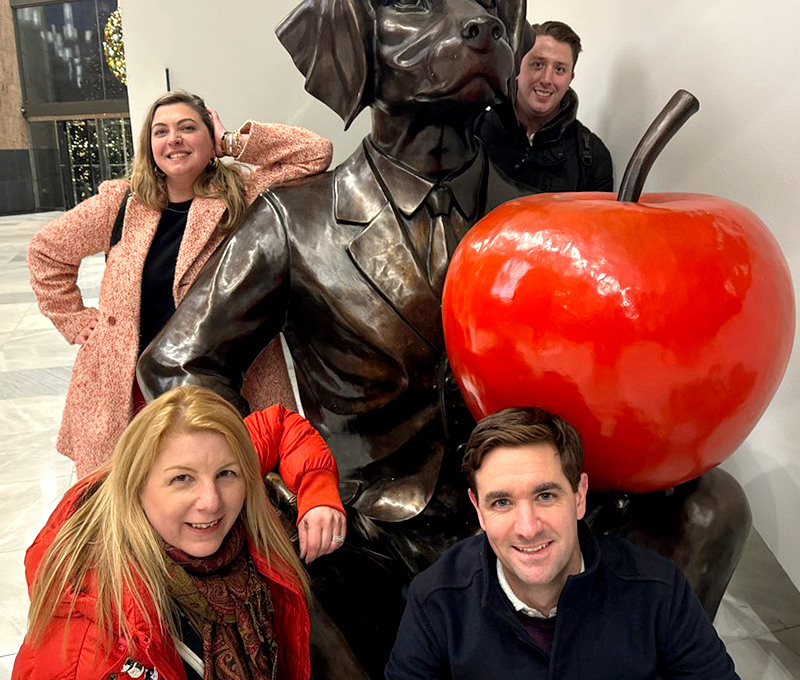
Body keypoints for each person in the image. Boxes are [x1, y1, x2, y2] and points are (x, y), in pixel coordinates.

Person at [27, 90, 333, 478]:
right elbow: (46, 251)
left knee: (222, 495)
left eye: (188, 128)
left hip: (227, 383)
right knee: (135, 498)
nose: (173, 139)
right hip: (130, 387)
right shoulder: (123, 202)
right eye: (161, 131)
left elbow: (314, 153)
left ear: (210, 139)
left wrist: (232, 141)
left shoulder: (243, 196)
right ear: (149, 145)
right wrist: (72, 317)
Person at [12, 385, 346, 680]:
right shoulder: (86, 648)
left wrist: (318, 494)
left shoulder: (206, 453)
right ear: (137, 486)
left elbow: (280, 425)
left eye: (226, 474)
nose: (211, 501)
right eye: (181, 479)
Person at [385, 406, 740, 680]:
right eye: (502, 502)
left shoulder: (659, 589)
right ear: (479, 511)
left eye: (545, 496)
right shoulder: (435, 600)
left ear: (579, 496)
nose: (527, 528)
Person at [475, 21, 614, 192]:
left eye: (559, 69)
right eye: (538, 64)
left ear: (570, 78)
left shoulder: (593, 157)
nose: (547, 79)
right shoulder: (470, 133)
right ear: (516, 66)